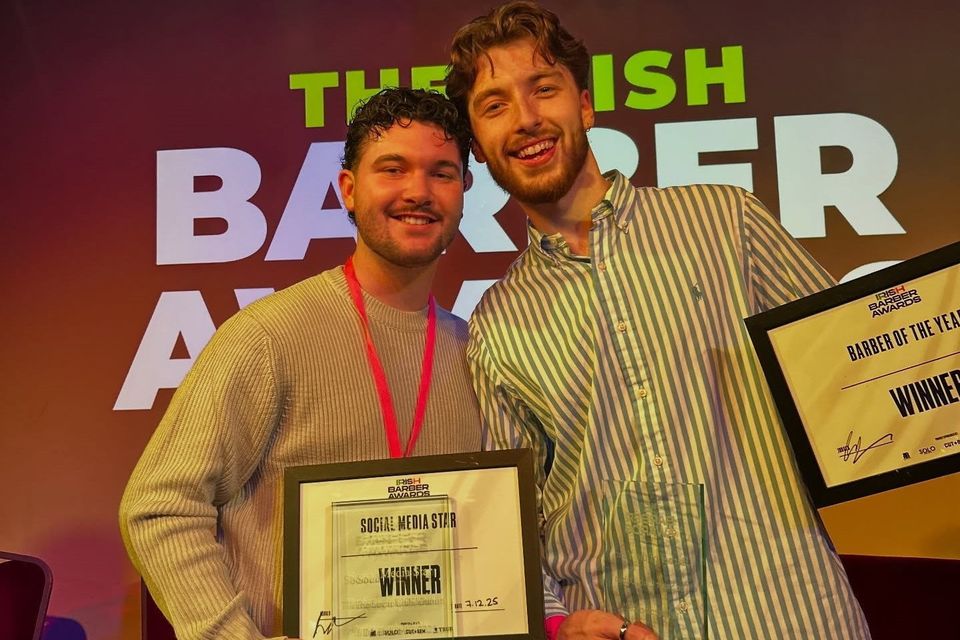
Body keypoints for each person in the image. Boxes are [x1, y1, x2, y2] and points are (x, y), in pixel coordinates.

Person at [445, 3, 871, 640]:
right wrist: (557, 623)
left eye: (543, 88)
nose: (527, 118)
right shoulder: (496, 324)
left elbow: (853, 370)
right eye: (495, 104)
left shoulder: (726, 221)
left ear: (585, 106)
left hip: (790, 613)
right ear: (478, 146)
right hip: (627, 629)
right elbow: (511, 524)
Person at [119, 87, 481, 640]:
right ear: (348, 191)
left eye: (442, 173)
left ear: (464, 192)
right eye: (393, 168)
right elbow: (159, 506)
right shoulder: (268, 338)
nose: (419, 191)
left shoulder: (472, 352)